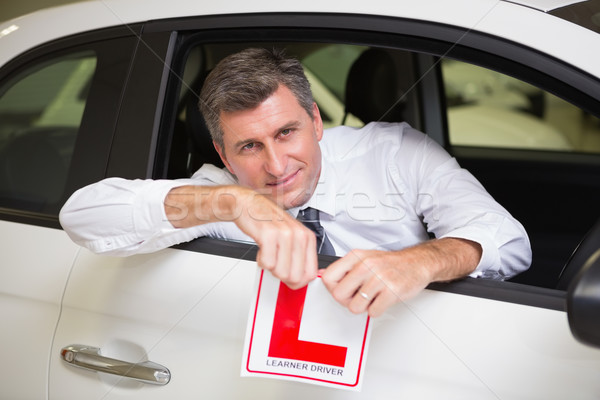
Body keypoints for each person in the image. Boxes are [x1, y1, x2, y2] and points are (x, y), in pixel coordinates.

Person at [60, 47, 531, 318]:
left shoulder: (395, 153)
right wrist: (232, 203)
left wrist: (419, 262)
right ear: (223, 153)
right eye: (249, 146)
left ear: (316, 120)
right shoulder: (217, 189)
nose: (276, 164)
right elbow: (81, 216)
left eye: (287, 133)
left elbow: (508, 242)